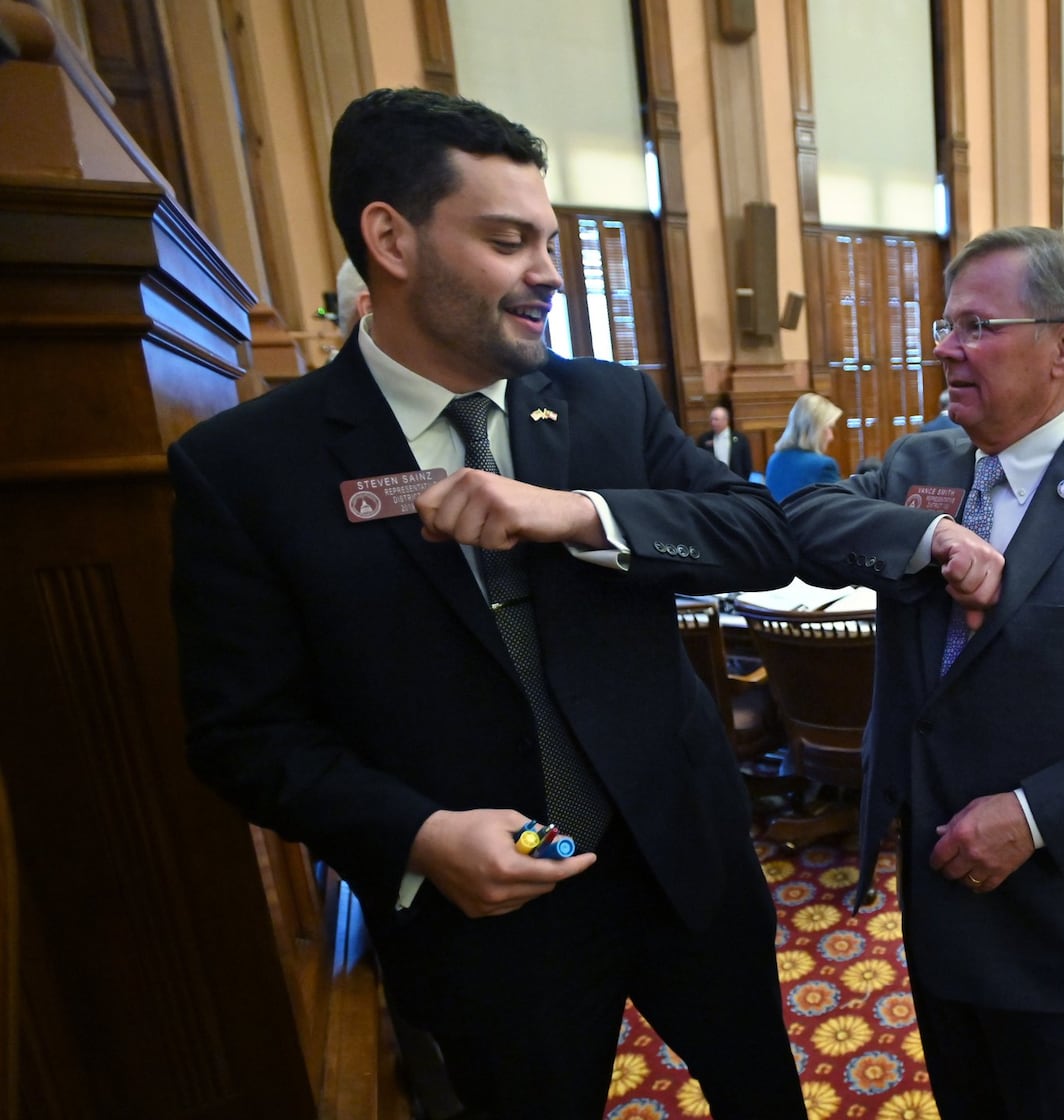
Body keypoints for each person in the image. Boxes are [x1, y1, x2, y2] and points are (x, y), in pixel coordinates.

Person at [168, 88, 805, 1120]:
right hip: (482, 915)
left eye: (548, 241)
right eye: (510, 241)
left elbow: (758, 534)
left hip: (685, 859)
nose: (548, 274)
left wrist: (577, 513)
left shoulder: (609, 402)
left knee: (761, 1094)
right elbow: (244, 733)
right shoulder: (244, 469)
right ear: (391, 238)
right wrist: (417, 835)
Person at [782, 226, 1064, 1120]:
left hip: (1052, 907)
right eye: (945, 326)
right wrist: (930, 536)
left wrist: (1031, 817)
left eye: (977, 326)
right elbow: (804, 515)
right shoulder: (923, 468)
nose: (945, 348)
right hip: (933, 888)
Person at [764, 391, 842, 500]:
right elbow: (840, 509)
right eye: (828, 428)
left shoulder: (774, 460)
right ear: (815, 429)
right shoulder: (824, 466)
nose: (831, 437)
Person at [694, 403, 753, 478]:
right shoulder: (704, 439)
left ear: (726, 420)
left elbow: (747, 465)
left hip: (736, 481)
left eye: (716, 419)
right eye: (711, 419)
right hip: (713, 482)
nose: (713, 423)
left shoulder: (740, 439)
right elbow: (700, 464)